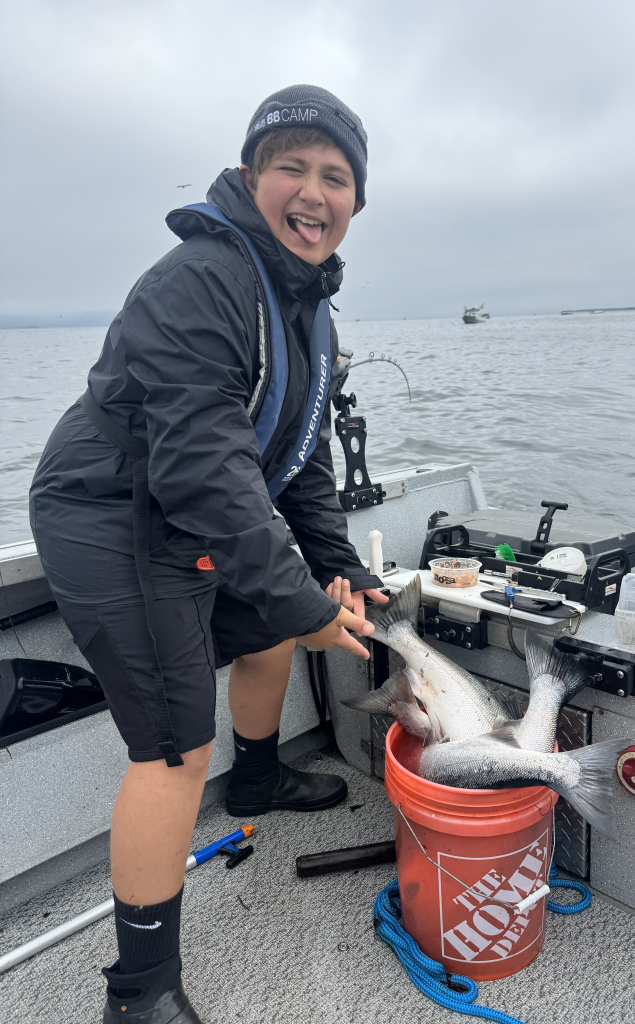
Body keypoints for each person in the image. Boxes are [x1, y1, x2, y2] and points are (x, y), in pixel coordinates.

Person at [29, 85, 387, 1024]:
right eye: (291, 168)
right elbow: (201, 466)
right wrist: (306, 603)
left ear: (356, 202)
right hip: (113, 509)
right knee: (175, 748)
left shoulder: (310, 308)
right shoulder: (201, 279)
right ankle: (140, 995)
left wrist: (342, 569)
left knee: (272, 623)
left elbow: (300, 456)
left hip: (192, 510)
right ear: (246, 176)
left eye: (335, 177)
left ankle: (260, 775)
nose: (312, 192)